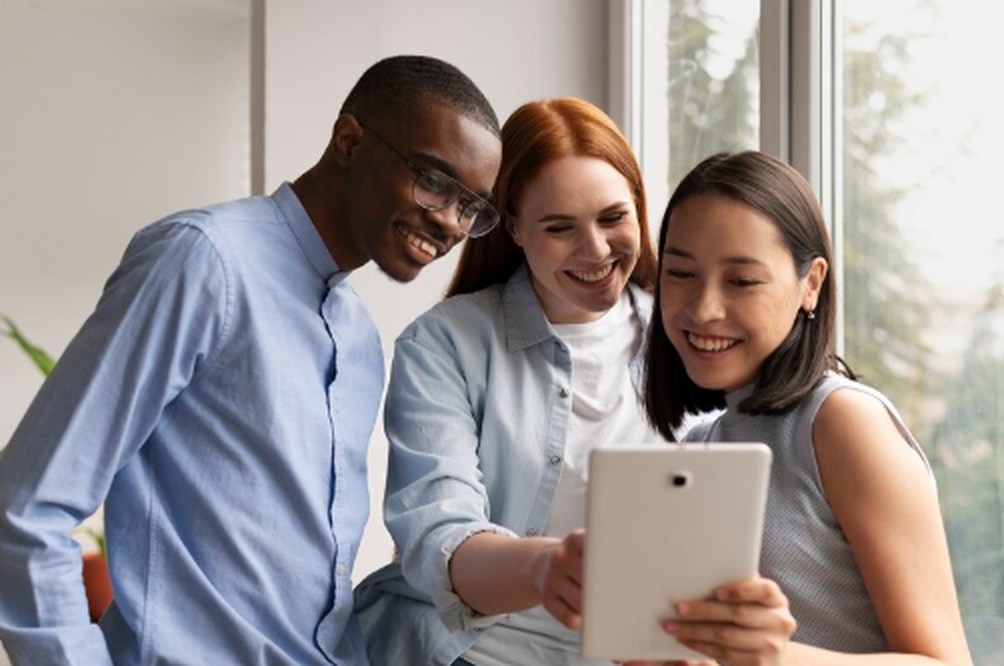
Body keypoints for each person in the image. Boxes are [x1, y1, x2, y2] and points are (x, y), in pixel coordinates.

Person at [0, 55, 501, 665]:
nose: (450, 222)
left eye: (471, 206)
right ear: (349, 140)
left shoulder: (360, 338)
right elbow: (27, 508)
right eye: (433, 181)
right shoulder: (202, 261)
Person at [354, 98, 794, 666]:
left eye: (613, 218)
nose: (595, 251)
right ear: (512, 226)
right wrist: (543, 568)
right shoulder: (446, 344)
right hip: (461, 654)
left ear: (640, 207)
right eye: (560, 228)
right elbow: (439, 535)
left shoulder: (695, 335)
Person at [641, 150, 973, 664]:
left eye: (742, 281)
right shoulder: (700, 446)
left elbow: (945, 662)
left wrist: (772, 656)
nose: (703, 308)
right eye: (680, 273)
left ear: (810, 284)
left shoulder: (842, 422)